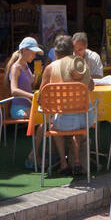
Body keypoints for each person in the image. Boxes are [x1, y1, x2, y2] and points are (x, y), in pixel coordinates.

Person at [40, 34, 95, 177]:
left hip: (63, 122)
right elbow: (91, 86)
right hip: (85, 119)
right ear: (72, 50)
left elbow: (41, 97)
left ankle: (64, 164)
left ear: (55, 52)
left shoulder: (50, 68)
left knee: (56, 119)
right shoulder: (81, 65)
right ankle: (77, 161)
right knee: (76, 116)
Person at [5, 36, 43, 169]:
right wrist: (32, 96)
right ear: (24, 50)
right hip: (19, 108)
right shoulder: (16, 67)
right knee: (44, 120)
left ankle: (38, 153)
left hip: (29, 106)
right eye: (32, 52)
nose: (34, 55)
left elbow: (30, 83)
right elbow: (14, 90)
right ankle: (34, 154)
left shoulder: (26, 65)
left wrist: (37, 75)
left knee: (47, 118)